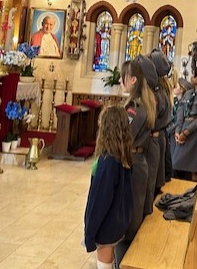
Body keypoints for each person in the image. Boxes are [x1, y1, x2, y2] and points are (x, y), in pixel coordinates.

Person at [114, 56, 158, 264]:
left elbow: (124, 135)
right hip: (135, 161)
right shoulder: (141, 103)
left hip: (131, 164)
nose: (120, 81)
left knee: (126, 224)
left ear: (133, 80)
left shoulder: (135, 107)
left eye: (123, 77)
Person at [83, 104, 133, 269]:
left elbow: (99, 201)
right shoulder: (122, 156)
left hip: (106, 226)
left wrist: (90, 233)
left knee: (104, 264)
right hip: (117, 220)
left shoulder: (108, 161)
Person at [148, 49, 173, 200]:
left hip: (154, 138)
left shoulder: (156, 92)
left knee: (151, 185)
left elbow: (151, 120)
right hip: (160, 137)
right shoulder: (162, 87)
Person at [165, 75, 192, 181]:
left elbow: (178, 122)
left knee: (175, 162)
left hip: (176, 134)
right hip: (172, 134)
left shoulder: (184, 104)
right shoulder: (176, 101)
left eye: (175, 87)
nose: (173, 89)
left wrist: (167, 131)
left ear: (181, 89)